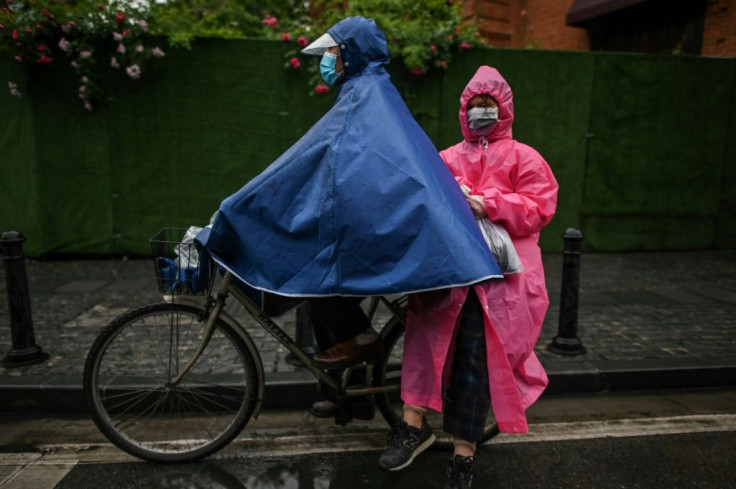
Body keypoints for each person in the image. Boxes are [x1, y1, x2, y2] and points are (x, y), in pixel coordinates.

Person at [198, 20, 502, 420]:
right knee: (319, 282)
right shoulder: (369, 91)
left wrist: (240, 202)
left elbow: (301, 161)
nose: (326, 61)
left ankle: (361, 340)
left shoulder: (362, 96)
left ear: (350, 52)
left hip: (385, 228)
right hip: (386, 221)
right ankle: (353, 393)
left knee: (319, 275)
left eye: (332, 52)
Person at [378, 65, 558, 489]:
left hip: (498, 282)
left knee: (475, 362)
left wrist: (487, 202)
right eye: (474, 105)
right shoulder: (446, 157)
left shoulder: (524, 157)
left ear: (504, 110)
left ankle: (463, 456)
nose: (480, 112)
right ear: (463, 109)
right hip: (448, 274)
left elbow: (539, 208)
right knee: (425, 347)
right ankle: (412, 427)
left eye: (488, 105)